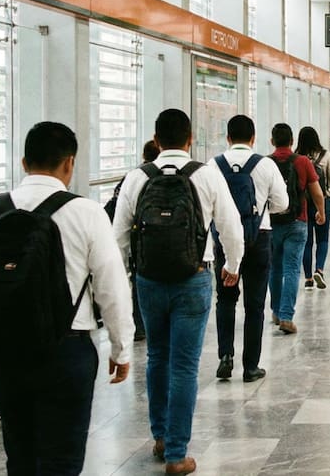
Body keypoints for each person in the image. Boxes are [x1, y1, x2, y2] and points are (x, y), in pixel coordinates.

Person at [0, 121, 134, 475]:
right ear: (69, 163)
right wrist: (122, 349)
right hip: (67, 350)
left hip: (5, 354)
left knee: (21, 455)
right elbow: (112, 289)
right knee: (62, 460)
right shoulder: (86, 212)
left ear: (23, 162)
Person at [113, 109, 243, 474]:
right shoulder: (205, 174)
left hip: (149, 280)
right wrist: (232, 266)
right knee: (184, 365)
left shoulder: (137, 178)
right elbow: (230, 227)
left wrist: (125, 276)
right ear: (190, 139)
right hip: (194, 278)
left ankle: (159, 436)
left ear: (156, 140)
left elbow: (118, 236)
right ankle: (176, 452)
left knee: (157, 356)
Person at [212, 114, 288, 383]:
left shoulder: (214, 165)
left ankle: (225, 356)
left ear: (228, 138)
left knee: (226, 298)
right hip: (258, 239)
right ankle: (250, 366)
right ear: (254, 138)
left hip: (224, 241)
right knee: (255, 305)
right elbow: (282, 203)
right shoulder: (265, 165)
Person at [267, 122, 325, 335]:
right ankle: (286, 316)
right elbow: (317, 192)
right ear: (292, 141)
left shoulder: (265, 163)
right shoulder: (302, 162)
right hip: (297, 221)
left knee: (275, 268)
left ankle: (275, 310)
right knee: (292, 268)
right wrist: (321, 212)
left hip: (272, 224)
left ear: (272, 141)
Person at [104, 139, 161, 342]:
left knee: (139, 283)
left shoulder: (133, 177)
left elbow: (118, 216)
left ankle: (140, 326)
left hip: (140, 243)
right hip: (172, 246)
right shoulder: (177, 176)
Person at [298, 125, 330, 291]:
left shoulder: (297, 158)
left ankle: (308, 278)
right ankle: (320, 270)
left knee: (307, 242)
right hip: (322, 201)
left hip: (303, 204)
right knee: (323, 239)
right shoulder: (325, 156)